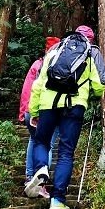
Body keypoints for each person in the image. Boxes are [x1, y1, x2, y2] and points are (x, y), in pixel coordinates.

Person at [25, 24, 105, 209]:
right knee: (66, 153)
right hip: (75, 106)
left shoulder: (56, 49)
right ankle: (57, 201)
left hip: (47, 103)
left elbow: (39, 82)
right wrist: (90, 95)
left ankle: (41, 169)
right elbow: (100, 84)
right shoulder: (92, 52)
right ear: (90, 39)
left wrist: (34, 111)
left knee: (41, 141)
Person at [19, 36, 60, 196]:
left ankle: (29, 177)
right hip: (47, 111)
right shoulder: (56, 67)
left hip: (31, 110)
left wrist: (24, 111)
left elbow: (27, 89)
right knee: (46, 144)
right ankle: (41, 185)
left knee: (33, 140)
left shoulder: (37, 64)